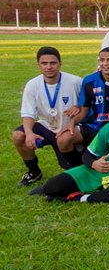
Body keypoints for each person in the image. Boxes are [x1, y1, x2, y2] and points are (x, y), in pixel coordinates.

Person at [14, 46, 83, 183]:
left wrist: (78, 107)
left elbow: (88, 105)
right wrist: (29, 133)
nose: (49, 67)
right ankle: (34, 172)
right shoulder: (32, 85)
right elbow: (28, 113)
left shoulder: (75, 82)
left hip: (69, 127)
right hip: (46, 126)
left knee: (72, 171)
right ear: (38, 64)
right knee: (18, 135)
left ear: (60, 63)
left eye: (53, 63)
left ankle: (76, 169)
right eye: (44, 63)